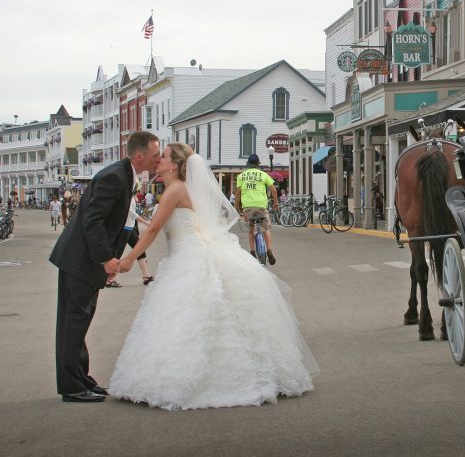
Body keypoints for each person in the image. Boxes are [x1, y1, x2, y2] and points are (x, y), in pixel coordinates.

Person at [108, 143, 317, 410]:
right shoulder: (181, 189)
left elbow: (152, 232)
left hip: (188, 256)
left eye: (164, 156)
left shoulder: (175, 190)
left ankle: (202, 379)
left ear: (174, 165)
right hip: (184, 253)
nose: (158, 160)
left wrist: (127, 260)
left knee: (191, 318)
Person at [48, 131, 161, 403]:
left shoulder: (125, 175)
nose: (158, 159)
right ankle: (72, 387)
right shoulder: (115, 177)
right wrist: (106, 259)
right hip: (80, 260)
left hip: (86, 260)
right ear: (139, 156)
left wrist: (109, 259)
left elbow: (115, 225)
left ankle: (81, 378)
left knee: (80, 320)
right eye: (155, 154)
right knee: (73, 322)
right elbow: (93, 221)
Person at [235, 154, 279, 264]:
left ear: (249, 164)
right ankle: (269, 250)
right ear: (258, 164)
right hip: (261, 206)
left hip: (247, 207)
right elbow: (274, 190)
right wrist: (275, 203)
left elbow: (238, 193)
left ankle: (253, 252)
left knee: (251, 230)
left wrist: (236, 207)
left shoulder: (241, 176)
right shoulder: (264, 175)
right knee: (266, 229)